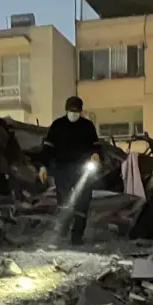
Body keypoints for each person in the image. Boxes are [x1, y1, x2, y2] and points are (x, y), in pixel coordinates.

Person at [39, 96, 100, 245]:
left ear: (80, 111)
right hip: (63, 169)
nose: (74, 114)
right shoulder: (58, 125)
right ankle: (63, 229)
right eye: (71, 111)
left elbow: (96, 144)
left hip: (83, 169)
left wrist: (96, 154)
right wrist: (43, 166)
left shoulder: (87, 126)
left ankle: (77, 235)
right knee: (64, 200)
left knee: (83, 202)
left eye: (77, 111)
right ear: (67, 110)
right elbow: (47, 148)